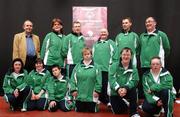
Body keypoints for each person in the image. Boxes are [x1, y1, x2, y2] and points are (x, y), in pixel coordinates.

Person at [109, 47, 140, 117]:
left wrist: (125, 88)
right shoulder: (113, 66)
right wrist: (118, 89)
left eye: (128, 55)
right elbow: (111, 79)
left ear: (131, 56)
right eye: (124, 54)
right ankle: (126, 103)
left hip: (128, 91)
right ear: (120, 55)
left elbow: (134, 81)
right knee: (118, 111)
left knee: (133, 90)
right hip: (116, 92)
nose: (126, 57)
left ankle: (133, 112)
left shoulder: (134, 69)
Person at [70, 47, 102, 112]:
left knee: (92, 111)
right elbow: (73, 79)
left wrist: (97, 91)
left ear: (91, 55)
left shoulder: (97, 67)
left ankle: (96, 103)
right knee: (79, 110)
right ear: (83, 56)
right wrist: (73, 90)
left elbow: (99, 80)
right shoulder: (77, 66)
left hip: (91, 96)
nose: (87, 55)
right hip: (79, 96)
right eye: (85, 54)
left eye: (88, 54)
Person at [92, 28, 118, 107]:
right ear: (99, 34)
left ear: (108, 33)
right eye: (101, 32)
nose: (103, 33)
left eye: (105, 32)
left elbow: (116, 56)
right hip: (97, 70)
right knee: (98, 84)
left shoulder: (111, 43)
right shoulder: (95, 44)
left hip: (107, 69)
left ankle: (107, 100)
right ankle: (98, 99)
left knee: (106, 86)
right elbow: (92, 56)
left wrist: (113, 67)